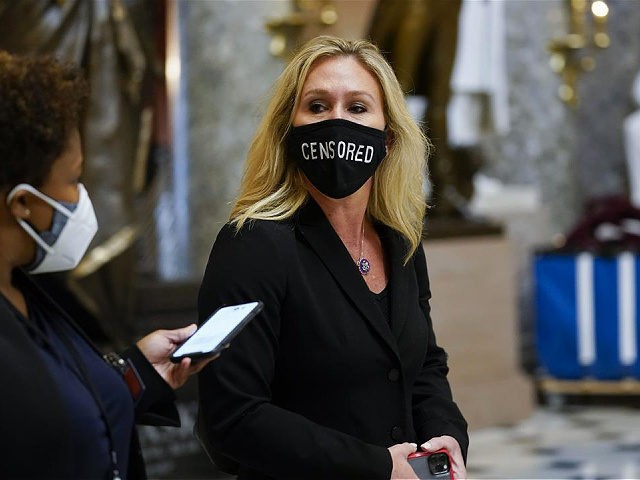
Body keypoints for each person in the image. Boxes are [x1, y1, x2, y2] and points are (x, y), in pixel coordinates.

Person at [196, 36, 468, 479]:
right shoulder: (252, 245)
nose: (337, 121)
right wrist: (377, 467)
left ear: (389, 138)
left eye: (357, 107)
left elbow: (424, 367)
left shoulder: (399, 242)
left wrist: (447, 436)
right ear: (289, 130)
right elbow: (232, 418)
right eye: (318, 106)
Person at [0, 51, 211, 479]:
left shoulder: (28, 288)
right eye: (74, 179)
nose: (81, 198)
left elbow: (63, 405)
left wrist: (132, 370)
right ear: (22, 202)